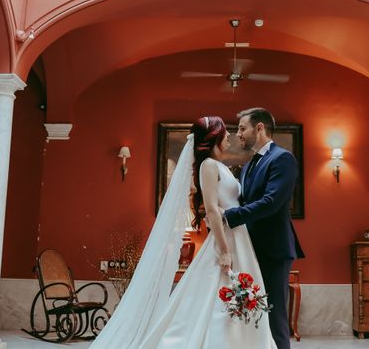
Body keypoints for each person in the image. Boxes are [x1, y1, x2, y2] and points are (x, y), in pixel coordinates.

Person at [88, 116, 276, 349]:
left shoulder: (221, 167)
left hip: (240, 238)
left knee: (236, 295)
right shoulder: (208, 166)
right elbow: (211, 209)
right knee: (216, 297)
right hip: (226, 240)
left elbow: (226, 205)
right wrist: (224, 251)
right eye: (224, 132)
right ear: (214, 136)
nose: (229, 135)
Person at [223, 107, 304, 349]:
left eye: (242, 128)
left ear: (259, 128)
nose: (238, 134)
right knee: (253, 315)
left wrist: (229, 216)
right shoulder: (248, 166)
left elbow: (271, 202)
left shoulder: (283, 159)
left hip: (273, 250)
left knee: (274, 315)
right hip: (250, 248)